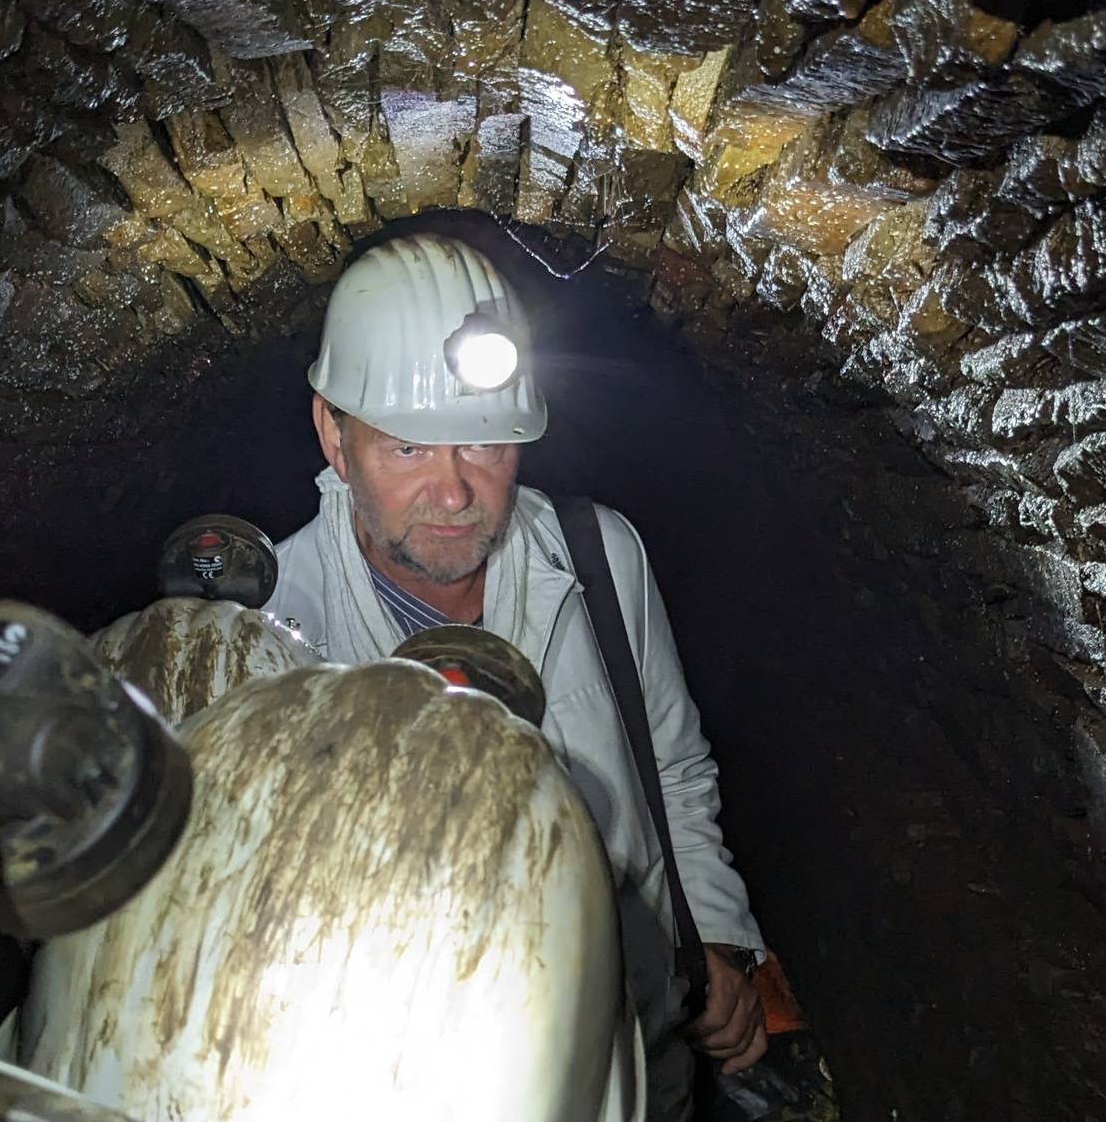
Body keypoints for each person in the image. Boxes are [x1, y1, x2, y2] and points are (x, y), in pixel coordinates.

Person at [261, 232, 771, 1121]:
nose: (454, 494)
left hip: (646, 1068)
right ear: (333, 438)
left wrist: (716, 941)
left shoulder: (599, 556)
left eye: (485, 445)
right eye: (409, 449)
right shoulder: (271, 633)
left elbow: (675, 772)